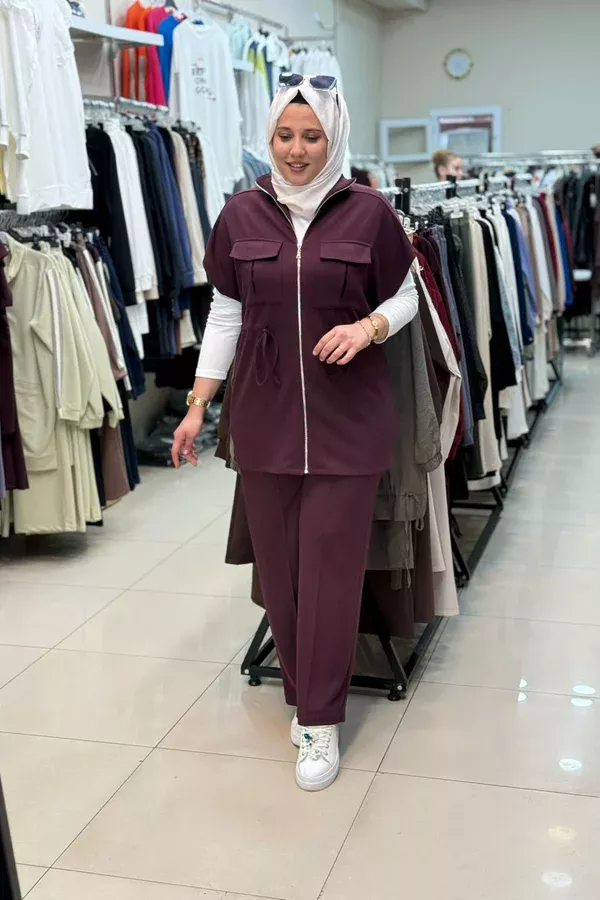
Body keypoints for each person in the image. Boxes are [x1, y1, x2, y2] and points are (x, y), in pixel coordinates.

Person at [172, 74, 418, 792]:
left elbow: (406, 294)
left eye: (312, 136)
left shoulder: (370, 212)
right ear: (270, 138)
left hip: (349, 421)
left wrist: (369, 327)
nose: (297, 149)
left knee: (331, 572)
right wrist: (197, 404)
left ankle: (318, 719)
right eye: (285, 135)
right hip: (265, 416)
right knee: (279, 572)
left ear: (334, 138)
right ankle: (303, 689)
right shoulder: (241, 213)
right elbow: (226, 311)